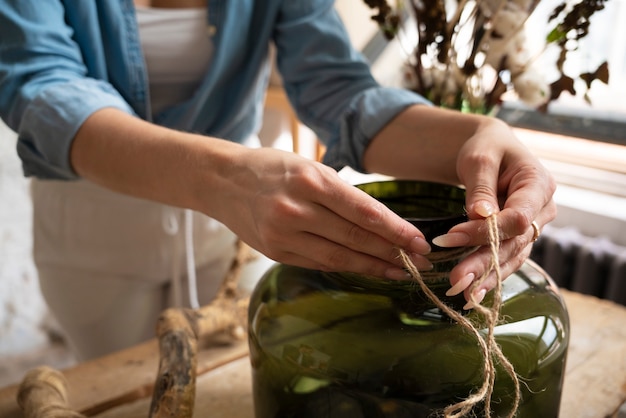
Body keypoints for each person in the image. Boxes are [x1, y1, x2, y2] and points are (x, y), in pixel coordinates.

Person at [0, 0, 556, 361]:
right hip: (93, 225)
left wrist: (475, 135)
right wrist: (223, 179)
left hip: (238, 231)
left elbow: (343, 93)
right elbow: (41, 88)